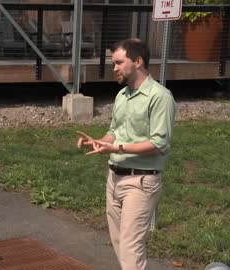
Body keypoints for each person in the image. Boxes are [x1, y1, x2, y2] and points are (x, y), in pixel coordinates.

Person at [76, 39, 176, 270]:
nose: (114, 68)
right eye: (113, 63)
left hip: (141, 181)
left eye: (119, 62)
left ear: (138, 61)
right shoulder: (122, 95)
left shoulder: (160, 97)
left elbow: (160, 143)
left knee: (131, 248)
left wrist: (117, 148)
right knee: (120, 243)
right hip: (114, 178)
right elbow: (115, 132)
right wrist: (99, 142)